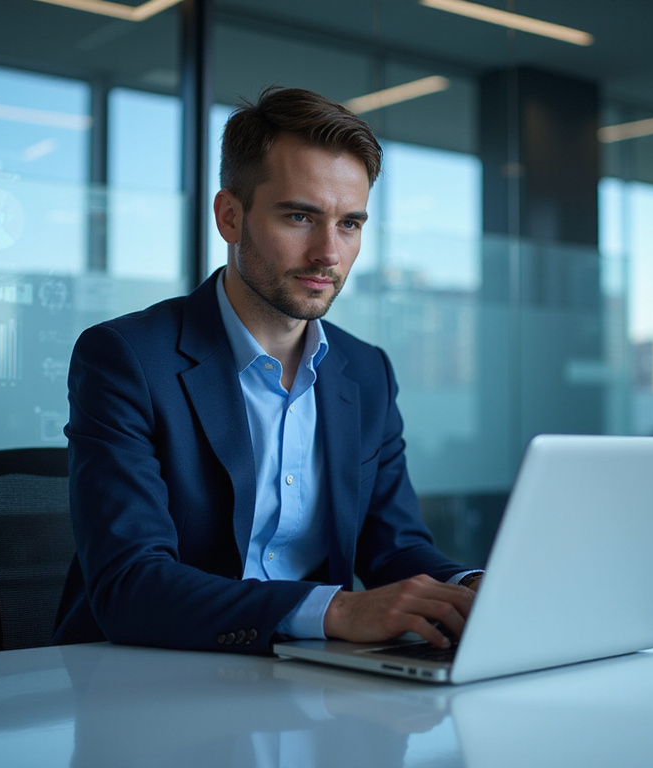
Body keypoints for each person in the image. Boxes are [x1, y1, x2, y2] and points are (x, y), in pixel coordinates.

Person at [52, 86, 480, 655]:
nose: (329, 252)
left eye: (350, 224)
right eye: (300, 216)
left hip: (304, 680)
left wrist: (471, 589)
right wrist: (335, 610)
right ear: (231, 217)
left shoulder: (366, 372)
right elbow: (130, 584)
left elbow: (396, 549)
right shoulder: (126, 358)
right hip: (147, 682)